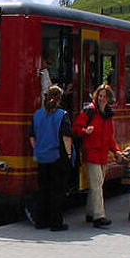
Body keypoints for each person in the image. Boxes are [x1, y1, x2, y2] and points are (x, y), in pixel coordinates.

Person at [72, 84, 123, 228]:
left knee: (97, 184)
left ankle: (90, 212)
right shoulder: (89, 111)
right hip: (91, 152)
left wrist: (116, 151)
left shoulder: (108, 113)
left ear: (109, 98)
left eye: (105, 96)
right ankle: (99, 216)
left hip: (103, 154)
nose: (102, 98)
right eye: (100, 96)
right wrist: (85, 131)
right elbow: (75, 128)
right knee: (97, 185)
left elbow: (110, 137)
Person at [29, 85, 73, 231]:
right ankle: (56, 222)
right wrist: (69, 155)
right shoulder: (62, 115)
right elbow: (66, 137)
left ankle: (40, 221)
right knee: (57, 191)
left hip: (42, 157)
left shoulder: (37, 115)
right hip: (57, 156)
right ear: (60, 99)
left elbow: (32, 137)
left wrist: (38, 150)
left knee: (43, 190)